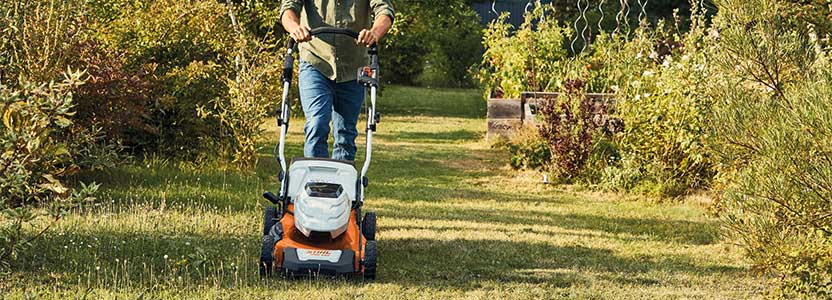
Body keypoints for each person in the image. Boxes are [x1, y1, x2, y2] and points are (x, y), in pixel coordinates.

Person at [280, 0, 394, 161]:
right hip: (316, 61)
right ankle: (317, 180)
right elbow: (288, 8)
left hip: (353, 66)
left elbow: (385, 11)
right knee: (316, 123)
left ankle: (341, 183)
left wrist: (374, 32)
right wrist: (295, 28)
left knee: (345, 134)